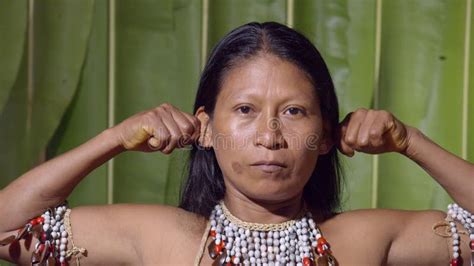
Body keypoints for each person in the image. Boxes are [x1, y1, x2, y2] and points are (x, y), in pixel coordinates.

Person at [0, 21, 472, 266]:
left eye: (294, 112)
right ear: (205, 128)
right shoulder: (162, 239)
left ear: (327, 135)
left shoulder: (363, 242)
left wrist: (410, 141)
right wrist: (114, 139)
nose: (269, 138)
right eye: (245, 110)